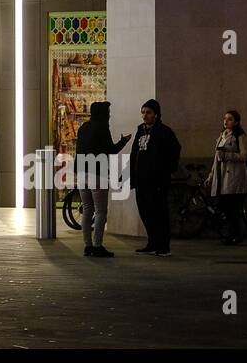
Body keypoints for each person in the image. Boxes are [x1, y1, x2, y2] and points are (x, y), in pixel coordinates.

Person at [75, 100, 130, 257]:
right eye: (108, 112)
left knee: (87, 210)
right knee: (100, 211)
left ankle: (87, 246)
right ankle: (97, 246)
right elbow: (111, 150)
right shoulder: (102, 128)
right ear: (103, 114)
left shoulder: (83, 128)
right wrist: (124, 141)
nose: (109, 115)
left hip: (81, 172)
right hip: (97, 174)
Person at [129, 98, 181, 256]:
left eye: (148, 112)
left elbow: (174, 150)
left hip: (157, 181)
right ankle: (152, 243)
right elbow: (134, 154)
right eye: (143, 112)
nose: (145, 116)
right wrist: (131, 175)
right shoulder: (140, 131)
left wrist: (165, 171)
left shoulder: (164, 132)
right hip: (141, 180)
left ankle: (163, 246)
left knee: (159, 213)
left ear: (156, 115)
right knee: (145, 212)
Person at [208, 109, 247, 245]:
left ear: (236, 122)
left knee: (232, 207)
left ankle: (235, 234)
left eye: (230, 119)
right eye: (225, 118)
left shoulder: (240, 136)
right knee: (225, 207)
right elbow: (216, 157)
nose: (226, 121)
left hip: (234, 177)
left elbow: (245, 156)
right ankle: (229, 233)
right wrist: (211, 175)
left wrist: (228, 156)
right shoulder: (222, 135)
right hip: (221, 176)